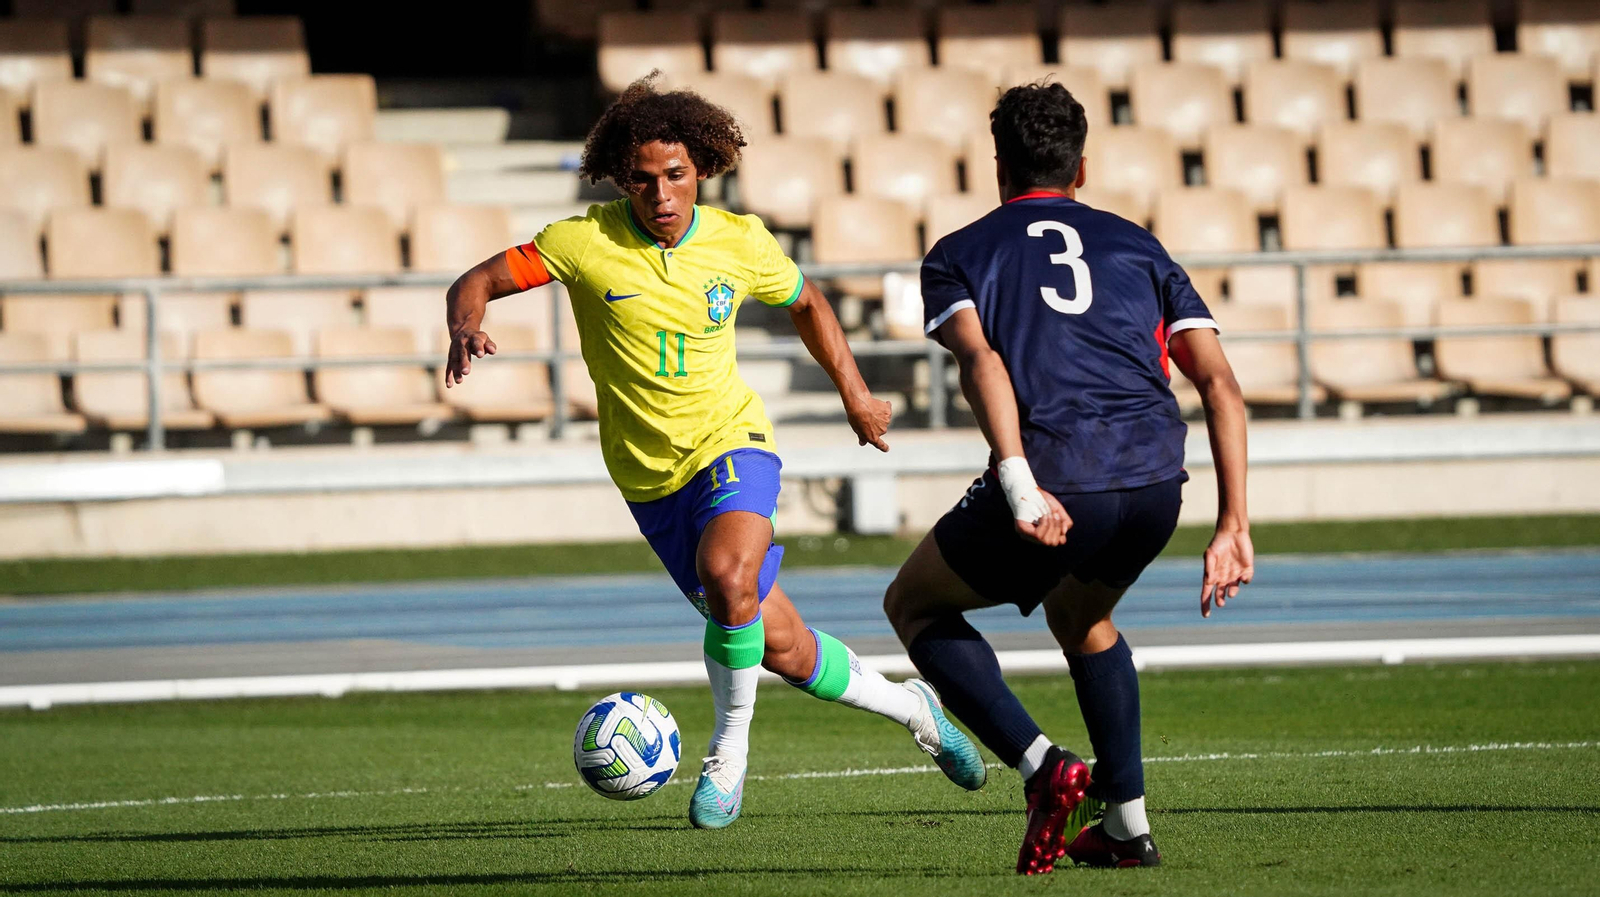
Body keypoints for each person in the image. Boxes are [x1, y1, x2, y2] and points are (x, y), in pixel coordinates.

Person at [443, 74, 985, 830]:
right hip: (648, 479)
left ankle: (727, 754)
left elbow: (806, 302)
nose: (661, 194)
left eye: (675, 175)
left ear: (701, 167)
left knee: (727, 572)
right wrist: (465, 324)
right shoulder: (583, 242)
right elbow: (479, 279)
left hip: (733, 442)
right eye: (642, 179)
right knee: (782, 645)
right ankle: (914, 709)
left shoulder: (741, 241)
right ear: (620, 178)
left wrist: (855, 393)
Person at [882, 82, 1255, 875]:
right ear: (1081, 169)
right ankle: (1127, 825)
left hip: (1059, 475)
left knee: (912, 604)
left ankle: (1044, 766)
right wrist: (1234, 524)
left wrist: (1019, 483)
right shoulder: (1142, 246)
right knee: (1084, 619)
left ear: (998, 167)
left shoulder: (957, 253)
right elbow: (1220, 383)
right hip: (1158, 481)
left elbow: (981, 361)